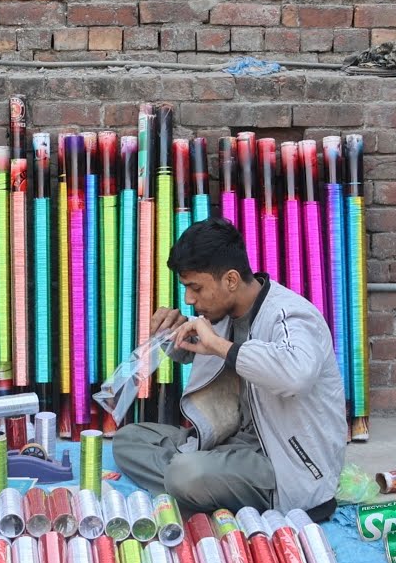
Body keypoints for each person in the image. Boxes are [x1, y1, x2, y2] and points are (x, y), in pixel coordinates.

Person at [113, 218, 347, 521]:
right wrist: (173, 337)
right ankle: (205, 484)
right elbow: (210, 362)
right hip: (235, 443)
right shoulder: (224, 314)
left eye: (195, 287)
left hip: (285, 463)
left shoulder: (292, 314)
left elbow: (296, 375)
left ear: (231, 280)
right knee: (129, 439)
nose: (188, 299)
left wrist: (218, 346)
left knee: (184, 473)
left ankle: (196, 484)